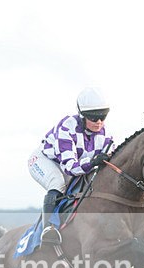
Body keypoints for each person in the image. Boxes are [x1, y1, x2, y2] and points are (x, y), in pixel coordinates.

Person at [28, 87, 113, 245]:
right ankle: (48, 228)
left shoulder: (106, 134)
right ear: (82, 115)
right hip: (45, 161)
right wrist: (93, 162)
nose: (99, 122)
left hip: (75, 164)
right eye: (94, 118)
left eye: (103, 116)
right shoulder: (67, 127)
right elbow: (70, 168)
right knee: (58, 183)